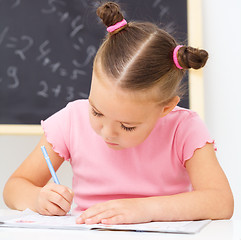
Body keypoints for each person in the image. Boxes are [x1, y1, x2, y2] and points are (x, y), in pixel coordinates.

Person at [3, 2, 233, 225]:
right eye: (96, 112)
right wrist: (38, 198)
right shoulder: (71, 120)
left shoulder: (184, 128)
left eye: (127, 126)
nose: (108, 132)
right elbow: (14, 187)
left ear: (166, 108)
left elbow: (221, 201)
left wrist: (146, 209)